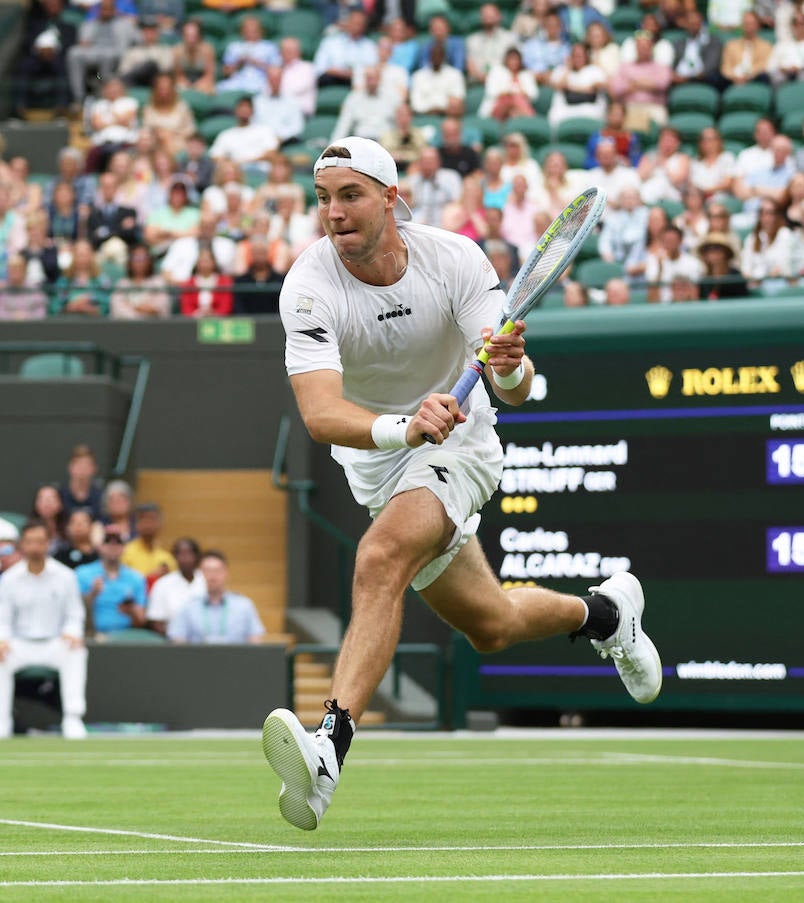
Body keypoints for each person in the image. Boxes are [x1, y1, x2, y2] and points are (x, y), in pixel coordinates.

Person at [264, 136, 659, 832]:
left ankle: (329, 748)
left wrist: (507, 366)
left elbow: (512, 383)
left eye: (350, 194)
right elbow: (322, 415)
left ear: (390, 198)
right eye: (324, 198)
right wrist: (403, 427)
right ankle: (605, 615)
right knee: (492, 625)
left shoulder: (456, 259)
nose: (334, 212)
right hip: (383, 461)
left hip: (463, 444)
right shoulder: (308, 286)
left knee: (379, 557)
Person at [0, 521, 88, 739]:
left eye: (40, 542)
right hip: (19, 644)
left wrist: (72, 633)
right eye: (30, 542)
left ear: (48, 544)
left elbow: (74, 614)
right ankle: (2, 719)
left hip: (55, 643)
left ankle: (72, 718)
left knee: (77, 652)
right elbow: (1, 617)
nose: (35, 547)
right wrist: (0, 640)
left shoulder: (66, 576)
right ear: (22, 545)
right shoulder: (9, 579)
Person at [167, 550, 266, 644]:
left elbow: (255, 640)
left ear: (226, 572)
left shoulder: (244, 605)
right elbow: (178, 640)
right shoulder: (188, 606)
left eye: (217, 570)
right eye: (207, 570)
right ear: (200, 574)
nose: (212, 575)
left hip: (237, 660)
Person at [75, 530, 148, 634]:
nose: (112, 545)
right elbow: (73, 611)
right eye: (107, 540)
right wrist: (92, 594)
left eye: (118, 541)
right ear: (99, 546)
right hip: (92, 634)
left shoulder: (137, 578)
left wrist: (132, 610)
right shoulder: (82, 573)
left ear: (124, 548)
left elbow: (141, 621)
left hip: (127, 635)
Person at [145, 537, 205, 634]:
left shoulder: (207, 581)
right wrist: (175, 636)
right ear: (174, 557)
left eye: (189, 553)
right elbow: (155, 621)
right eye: (181, 554)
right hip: (172, 642)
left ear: (197, 556)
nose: (185, 558)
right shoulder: (162, 584)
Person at [121, 503, 174, 580]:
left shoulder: (167, 559)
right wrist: (151, 577)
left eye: (152, 519)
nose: (148, 524)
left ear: (160, 524)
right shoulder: (125, 553)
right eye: (143, 519)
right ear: (136, 524)